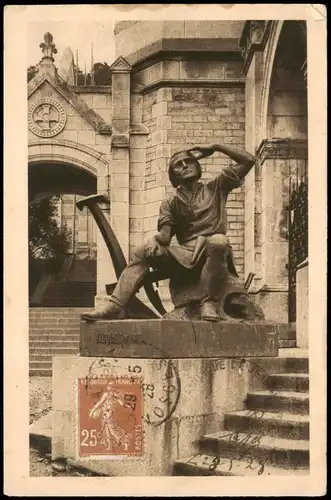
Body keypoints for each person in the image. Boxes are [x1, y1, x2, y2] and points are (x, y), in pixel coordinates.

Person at [82, 143, 256, 322]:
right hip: (185, 254)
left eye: (188, 161)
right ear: (174, 176)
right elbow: (165, 236)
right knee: (141, 251)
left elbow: (249, 160)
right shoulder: (170, 203)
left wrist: (216, 147)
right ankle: (116, 306)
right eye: (178, 165)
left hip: (213, 249)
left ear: (198, 166)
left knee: (219, 240)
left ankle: (209, 302)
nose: (185, 166)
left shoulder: (216, 187)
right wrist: (154, 241)